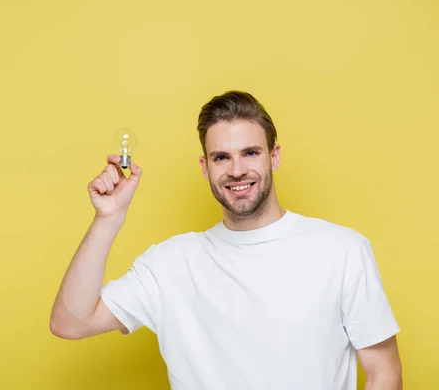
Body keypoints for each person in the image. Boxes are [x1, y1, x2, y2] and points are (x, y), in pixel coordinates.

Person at [49, 91, 403, 389]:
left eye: (250, 153)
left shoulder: (341, 250)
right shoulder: (170, 264)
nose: (236, 170)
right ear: (205, 168)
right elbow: (71, 323)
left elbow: (383, 370)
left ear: (274, 156)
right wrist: (108, 219)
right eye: (222, 157)